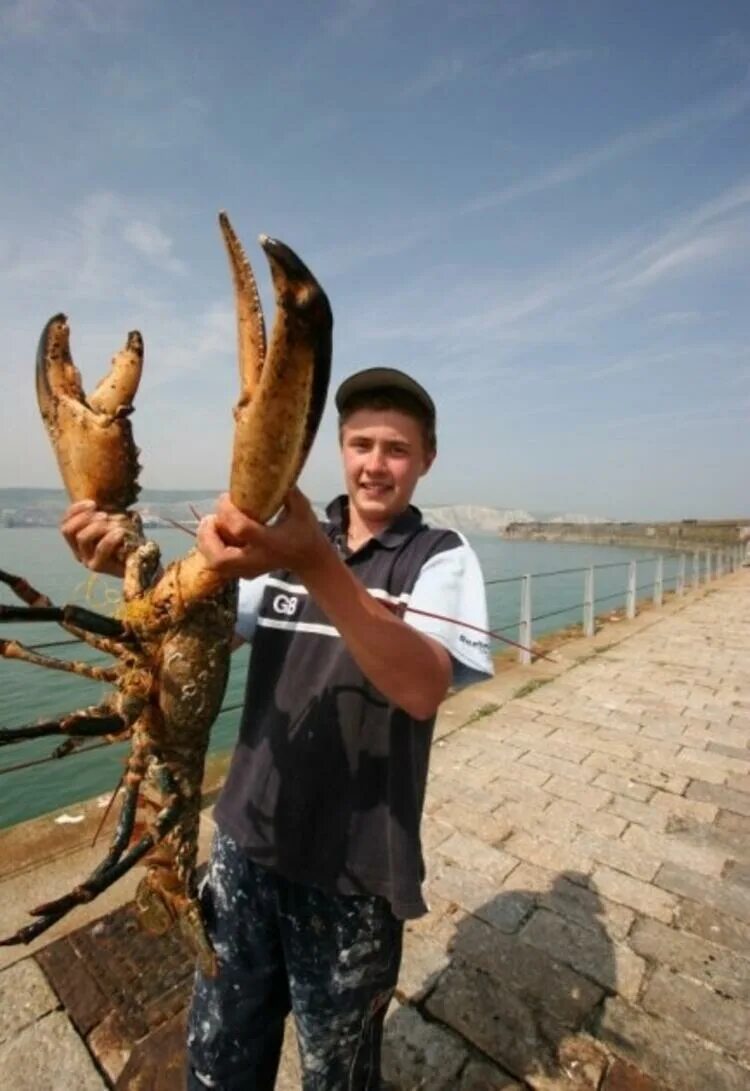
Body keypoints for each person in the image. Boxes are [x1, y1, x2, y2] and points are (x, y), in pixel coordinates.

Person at [62, 367, 493, 1090]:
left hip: (354, 869)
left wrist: (316, 563)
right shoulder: (289, 542)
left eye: (396, 448)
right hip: (243, 845)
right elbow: (195, 627)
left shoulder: (438, 557)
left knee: (338, 1072)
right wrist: (123, 570)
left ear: (426, 459)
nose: (375, 464)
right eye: (361, 444)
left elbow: (422, 687)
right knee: (220, 1055)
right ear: (339, 448)